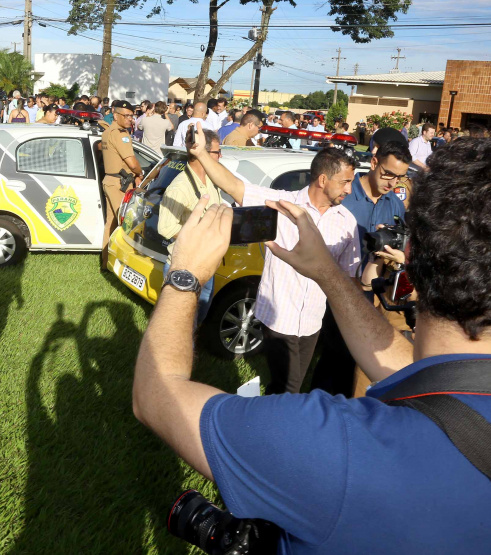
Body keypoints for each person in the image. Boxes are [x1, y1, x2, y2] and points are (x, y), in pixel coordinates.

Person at [133, 137, 491, 555]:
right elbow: (401, 365)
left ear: (409, 254)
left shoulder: (336, 444)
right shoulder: (455, 388)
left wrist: (184, 276)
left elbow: (155, 396)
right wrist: (326, 270)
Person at [191, 122, 361, 394]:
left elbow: (348, 278)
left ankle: (267, 419)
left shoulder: (346, 222)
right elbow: (235, 186)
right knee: (290, 387)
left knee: (286, 387)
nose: (350, 190)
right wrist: (201, 154)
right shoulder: (281, 205)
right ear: (323, 180)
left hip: (311, 322)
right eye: (345, 182)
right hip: (278, 318)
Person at [310, 139, 412, 398]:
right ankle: (319, 403)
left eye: (399, 178)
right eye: (388, 174)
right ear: (374, 162)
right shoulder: (343, 192)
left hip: (371, 290)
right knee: (333, 354)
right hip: (333, 286)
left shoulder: (395, 204)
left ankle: (343, 406)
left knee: (355, 358)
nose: (392, 183)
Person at [157, 128, 222, 322]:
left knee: (195, 322)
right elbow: (165, 228)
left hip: (205, 264)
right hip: (184, 267)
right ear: (202, 151)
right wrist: (199, 234)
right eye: (218, 152)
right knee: (181, 324)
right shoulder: (180, 186)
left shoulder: (210, 179)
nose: (220, 156)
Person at [100, 100, 144, 270]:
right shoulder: (120, 134)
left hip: (111, 181)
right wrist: (139, 173)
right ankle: (122, 265)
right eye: (126, 116)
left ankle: (106, 263)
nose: (130, 119)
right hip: (120, 183)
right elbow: (132, 163)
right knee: (126, 224)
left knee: (110, 224)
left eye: (132, 116)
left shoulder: (108, 131)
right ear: (115, 115)